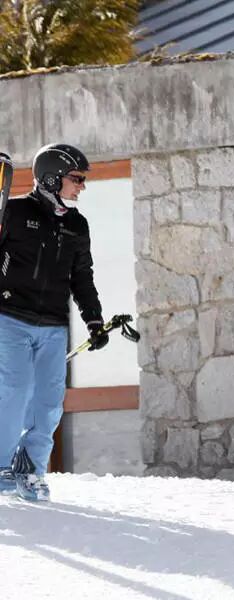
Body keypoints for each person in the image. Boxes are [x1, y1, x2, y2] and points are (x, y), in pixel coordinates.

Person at [0, 143, 107, 502]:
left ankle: (30, 468)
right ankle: (0, 466)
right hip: (10, 318)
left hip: (53, 325)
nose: (82, 186)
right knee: (13, 392)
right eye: (76, 178)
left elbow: (82, 277)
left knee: (48, 402)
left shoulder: (77, 225)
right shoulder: (12, 213)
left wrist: (94, 320)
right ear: (51, 177)